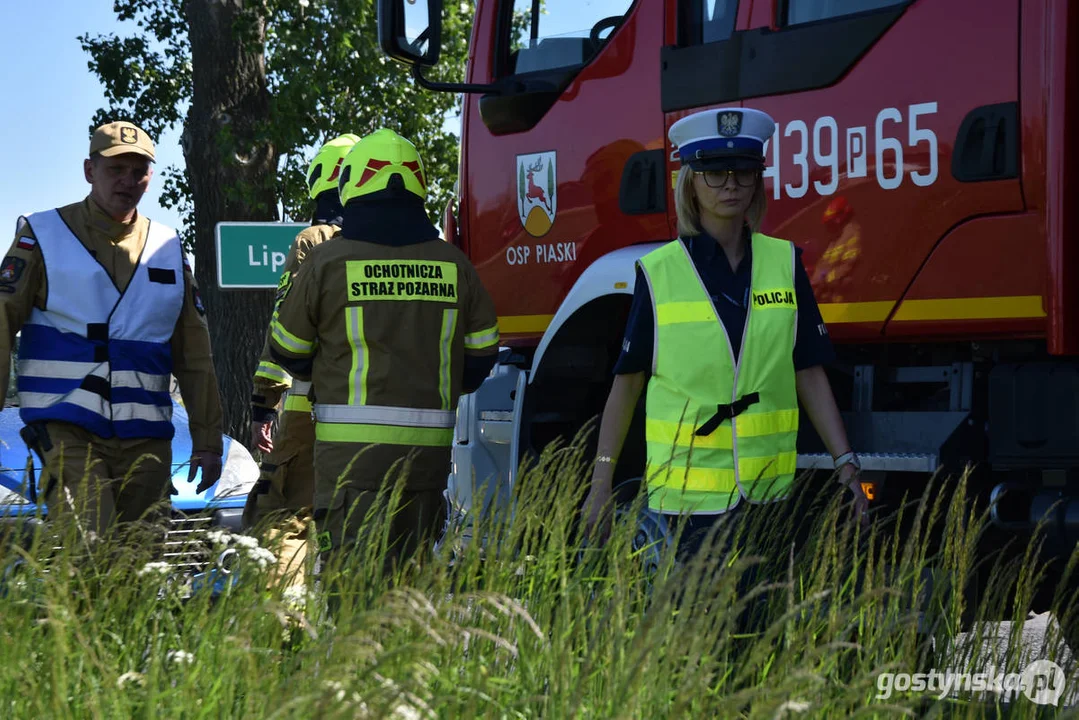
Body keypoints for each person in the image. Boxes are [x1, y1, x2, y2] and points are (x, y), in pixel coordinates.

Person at [582, 107, 869, 556]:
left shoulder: (784, 263)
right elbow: (627, 383)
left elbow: (808, 371)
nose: (730, 183)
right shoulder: (659, 273)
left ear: (757, 180)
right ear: (690, 182)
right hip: (687, 509)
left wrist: (847, 468)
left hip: (768, 501)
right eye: (714, 173)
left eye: (742, 171)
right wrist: (601, 483)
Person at [268, 128, 500, 578]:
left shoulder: (327, 262)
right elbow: (481, 360)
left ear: (353, 184)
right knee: (409, 592)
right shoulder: (455, 265)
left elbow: (288, 349)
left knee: (350, 595)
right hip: (426, 470)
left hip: (349, 469)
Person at [0, 120, 224, 538]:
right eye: (115, 169)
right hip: (66, 427)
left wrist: (208, 439)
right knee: (90, 545)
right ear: (89, 171)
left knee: (139, 563)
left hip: (147, 436)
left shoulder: (168, 246)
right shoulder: (42, 235)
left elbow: (195, 354)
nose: (128, 180)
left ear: (150, 176)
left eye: (138, 170)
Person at [243, 133, 361, 586]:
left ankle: (283, 632)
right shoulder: (396, 248)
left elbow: (284, 331)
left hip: (308, 411)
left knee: (282, 514)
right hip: (375, 415)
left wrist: (262, 405)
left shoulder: (315, 241)